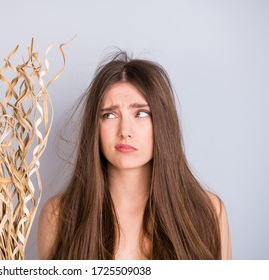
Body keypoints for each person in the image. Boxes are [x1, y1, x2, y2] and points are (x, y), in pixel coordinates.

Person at [37, 51, 231, 260]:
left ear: (162, 123)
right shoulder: (58, 215)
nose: (125, 130)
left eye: (141, 113)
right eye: (109, 115)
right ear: (95, 127)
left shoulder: (209, 211)